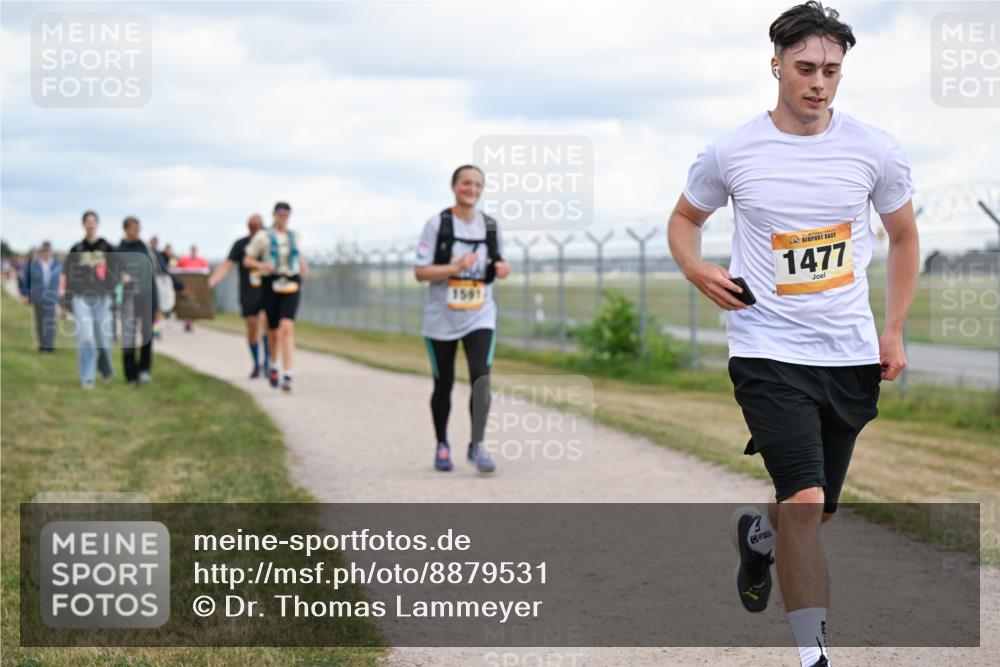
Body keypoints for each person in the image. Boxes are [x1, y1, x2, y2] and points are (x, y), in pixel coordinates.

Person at [667, 3, 919, 666]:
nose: (819, 82)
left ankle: (757, 535)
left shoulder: (875, 149)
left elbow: (903, 236)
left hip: (848, 353)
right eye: (806, 67)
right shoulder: (733, 150)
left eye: (832, 70)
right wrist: (697, 268)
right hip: (765, 349)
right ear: (775, 65)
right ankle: (816, 658)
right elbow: (684, 219)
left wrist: (892, 329)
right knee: (805, 504)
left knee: (814, 510)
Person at [414, 165, 510, 474]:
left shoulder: (491, 227)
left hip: (480, 315)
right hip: (441, 318)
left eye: (477, 184)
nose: (471, 188)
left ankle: (477, 444)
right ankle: (442, 444)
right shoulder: (437, 224)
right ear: (454, 187)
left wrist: (501, 268)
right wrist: (454, 267)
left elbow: (496, 261)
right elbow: (420, 272)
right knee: (443, 385)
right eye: (466, 183)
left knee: (481, 379)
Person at [243, 202, 308, 392]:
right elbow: (248, 260)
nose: (283, 217)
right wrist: (262, 266)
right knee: (273, 331)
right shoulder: (263, 237)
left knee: (287, 327)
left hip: (291, 283)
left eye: (287, 214)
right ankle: (274, 364)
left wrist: (303, 268)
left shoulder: (294, 236)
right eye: (280, 214)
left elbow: (297, 256)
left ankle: (288, 374)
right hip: (270, 284)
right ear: (274, 215)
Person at [117, 216, 186, 385]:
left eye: (139, 228)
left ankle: (144, 370)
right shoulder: (119, 250)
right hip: (129, 297)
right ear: (126, 229)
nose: (137, 232)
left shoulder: (146, 248)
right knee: (129, 336)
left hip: (148, 296)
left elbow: (163, 269)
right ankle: (130, 374)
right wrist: (121, 276)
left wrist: (180, 286)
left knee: (147, 334)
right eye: (134, 228)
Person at [208, 214, 271, 378]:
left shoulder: (269, 242)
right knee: (252, 325)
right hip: (248, 291)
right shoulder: (240, 244)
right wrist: (212, 281)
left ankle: (268, 362)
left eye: (257, 225)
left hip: (266, 290)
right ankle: (257, 363)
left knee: (267, 322)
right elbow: (227, 264)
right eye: (251, 225)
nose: (254, 228)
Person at [65, 210, 119, 389]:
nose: (90, 224)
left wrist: (110, 289)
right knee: (86, 338)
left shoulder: (106, 247)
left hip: (102, 298)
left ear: (97, 224)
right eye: (87, 221)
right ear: (83, 225)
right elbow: (69, 276)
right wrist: (66, 301)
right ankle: (87, 378)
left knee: (104, 339)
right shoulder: (76, 249)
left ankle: (106, 369)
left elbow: (116, 270)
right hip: (81, 298)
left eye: (93, 221)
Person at [26, 241, 63, 352]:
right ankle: (42, 344)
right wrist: (27, 293)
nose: (46, 253)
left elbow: (61, 279)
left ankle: (49, 345)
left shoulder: (57, 264)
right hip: (37, 296)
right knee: (40, 321)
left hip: (51, 297)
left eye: (48, 251)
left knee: (49, 322)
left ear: (51, 252)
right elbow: (29, 280)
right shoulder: (35, 264)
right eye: (44, 251)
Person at [176, 245, 209, 332]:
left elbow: (205, 273)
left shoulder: (202, 261)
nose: (193, 252)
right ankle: (187, 321)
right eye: (192, 250)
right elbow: (178, 270)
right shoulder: (184, 260)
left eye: (195, 250)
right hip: (186, 286)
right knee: (188, 304)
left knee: (195, 305)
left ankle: (191, 323)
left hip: (197, 287)